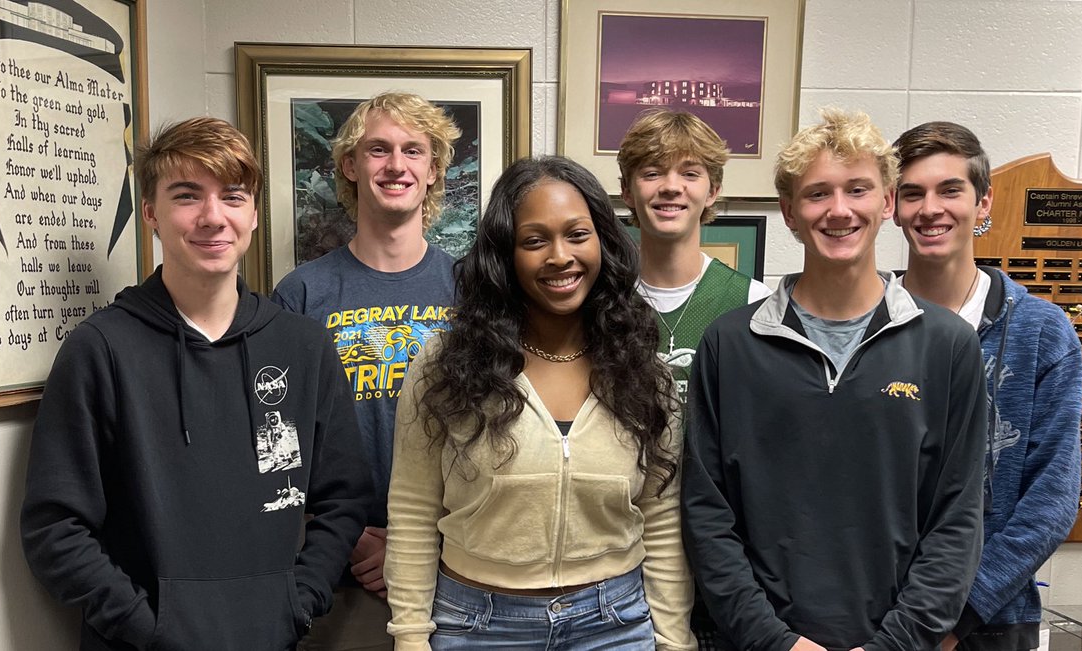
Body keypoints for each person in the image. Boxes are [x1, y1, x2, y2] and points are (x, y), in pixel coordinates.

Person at [20, 117, 371, 650]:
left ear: (253, 213)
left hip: (273, 637)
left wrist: (298, 603)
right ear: (151, 214)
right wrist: (149, 629)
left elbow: (343, 499)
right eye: (187, 195)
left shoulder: (303, 347)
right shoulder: (101, 350)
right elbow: (55, 527)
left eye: (232, 196)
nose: (213, 217)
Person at [682, 108, 988, 651]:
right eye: (818, 193)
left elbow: (957, 519)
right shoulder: (729, 345)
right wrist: (774, 641)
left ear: (887, 202)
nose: (839, 210)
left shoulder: (946, 346)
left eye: (859, 189)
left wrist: (896, 642)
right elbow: (707, 515)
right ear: (789, 213)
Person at [384, 156, 696, 650]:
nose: (560, 256)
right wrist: (410, 637)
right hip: (477, 626)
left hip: (614, 624)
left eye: (577, 234)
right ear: (505, 255)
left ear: (604, 243)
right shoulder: (447, 364)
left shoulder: (643, 370)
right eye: (534, 240)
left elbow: (660, 518)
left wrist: (674, 640)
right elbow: (413, 511)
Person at [272, 92, 461, 650]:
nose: (396, 165)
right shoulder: (301, 293)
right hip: (338, 567)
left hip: (453, 569)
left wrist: (421, 543)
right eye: (378, 149)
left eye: (413, 151)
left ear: (433, 171)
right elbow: (279, 438)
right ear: (351, 167)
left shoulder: (474, 290)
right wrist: (348, 538)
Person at [893, 121, 1082, 651]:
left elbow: (1052, 499)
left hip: (991, 620)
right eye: (913, 193)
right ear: (893, 207)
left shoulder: (1041, 332)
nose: (931, 209)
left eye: (950, 190)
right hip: (877, 618)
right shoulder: (865, 323)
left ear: (983, 204)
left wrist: (959, 615)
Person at [617, 109, 771, 404]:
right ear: (627, 190)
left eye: (689, 174)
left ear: (712, 190)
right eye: (652, 173)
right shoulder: (605, 297)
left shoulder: (753, 301)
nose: (671, 187)